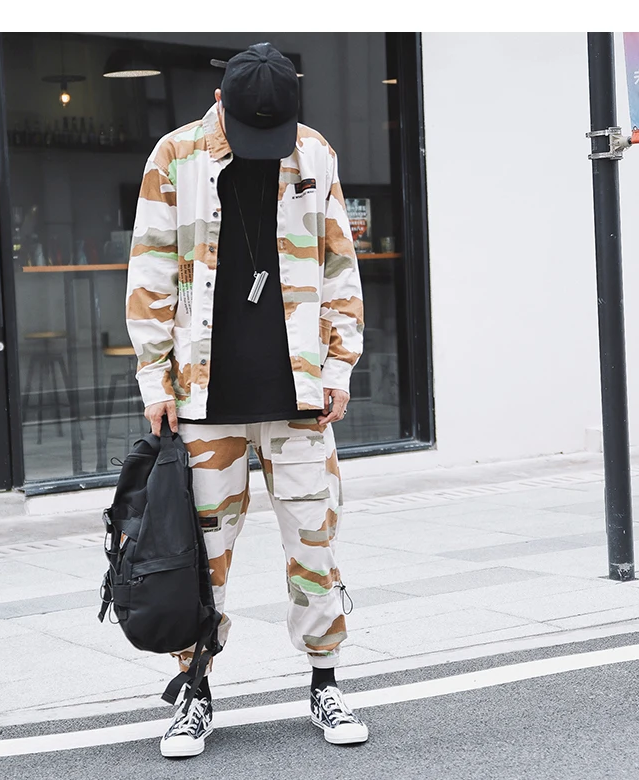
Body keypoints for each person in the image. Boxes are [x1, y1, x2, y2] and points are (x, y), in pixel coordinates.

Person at [126, 42, 366, 758]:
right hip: (206, 397)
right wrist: (154, 380)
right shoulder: (175, 157)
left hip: (299, 395)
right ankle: (194, 691)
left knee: (316, 545)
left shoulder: (313, 153)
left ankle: (325, 682)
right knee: (201, 558)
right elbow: (150, 271)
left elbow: (339, 265)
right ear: (220, 104)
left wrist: (340, 366)